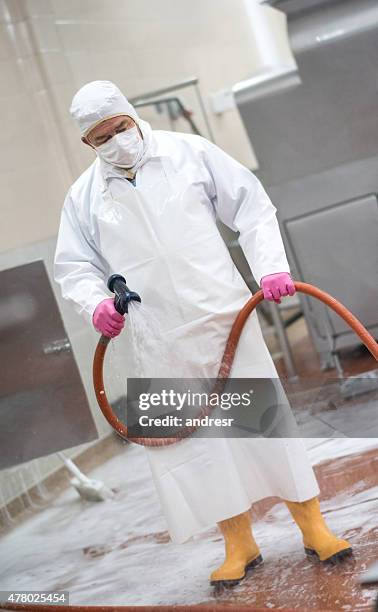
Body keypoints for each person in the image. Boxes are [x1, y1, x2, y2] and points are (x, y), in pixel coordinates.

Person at [54, 80, 352, 588]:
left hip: (222, 317)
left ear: (132, 116)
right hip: (157, 337)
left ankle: (313, 526)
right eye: (101, 138)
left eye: (120, 129)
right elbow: (74, 265)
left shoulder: (187, 152)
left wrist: (269, 268)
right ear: (88, 144)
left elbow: (251, 207)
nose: (115, 141)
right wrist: (96, 303)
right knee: (195, 445)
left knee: (264, 424)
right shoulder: (83, 197)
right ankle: (238, 543)